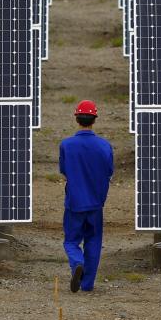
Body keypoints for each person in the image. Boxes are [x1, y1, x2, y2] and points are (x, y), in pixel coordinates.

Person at [58, 99, 113, 293]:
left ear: (76, 118)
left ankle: (77, 262)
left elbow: (64, 171)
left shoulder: (66, 145)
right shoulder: (104, 146)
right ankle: (87, 284)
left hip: (74, 202)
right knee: (94, 241)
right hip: (96, 203)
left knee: (71, 241)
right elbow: (109, 172)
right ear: (94, 119)